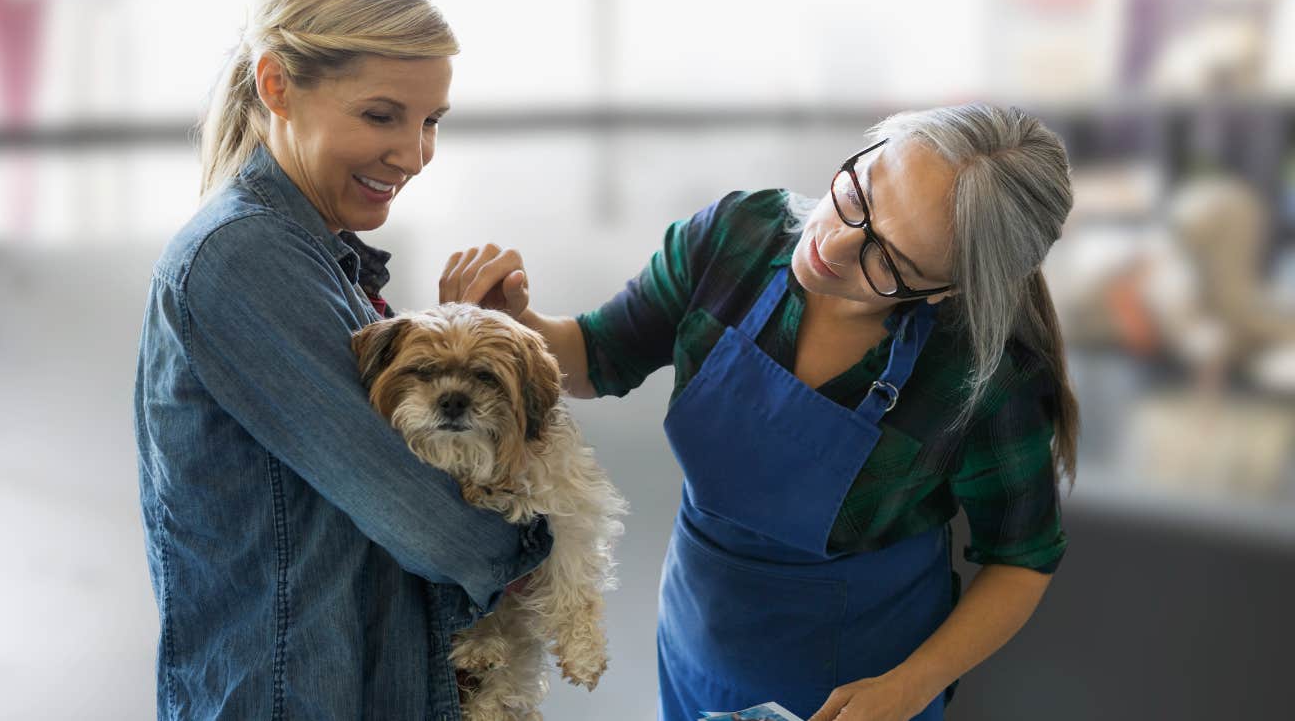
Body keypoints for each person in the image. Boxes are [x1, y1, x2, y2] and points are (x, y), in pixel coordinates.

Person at [440, 103, 1078, 721]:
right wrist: (517, 324)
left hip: (859, 679)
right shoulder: (735, 237)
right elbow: (598, 355)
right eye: (861, 194)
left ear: (947, 288)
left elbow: (1020, 560)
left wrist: (910, 688)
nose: (834, 241)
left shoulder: (984, 379)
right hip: (698, 630)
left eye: (887, 260)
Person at [132, 0, 550, 718]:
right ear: (276, 86)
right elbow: (428, 522)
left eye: (430, 122)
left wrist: (469, 336)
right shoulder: (245, 257)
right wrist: (542, 552)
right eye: (381, 115)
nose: (414, 153)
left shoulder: (320, 259)